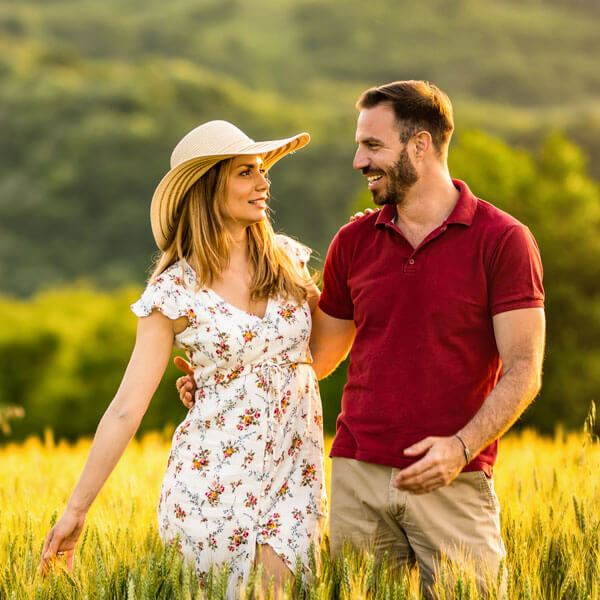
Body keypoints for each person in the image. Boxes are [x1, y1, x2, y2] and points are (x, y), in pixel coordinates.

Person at [175, 80, 547, 597]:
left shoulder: (503, 240)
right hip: (357, 477)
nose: (358, 160)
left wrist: (460, 449)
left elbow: (525, 369)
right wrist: (220, 377)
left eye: (372, 146)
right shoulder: (353, 241)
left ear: (420, 145)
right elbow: (315, 355)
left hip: (453, 480)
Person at [39, 120, 328, 599]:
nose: (264, 182)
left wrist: (379, 238)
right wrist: (76, 509)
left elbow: (335, 336)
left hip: (293, 478)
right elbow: (126, 407)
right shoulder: (171, 294)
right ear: (208, 188)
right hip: (211, 488)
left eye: (261, 170)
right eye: (245, 172)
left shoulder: (287, 263)